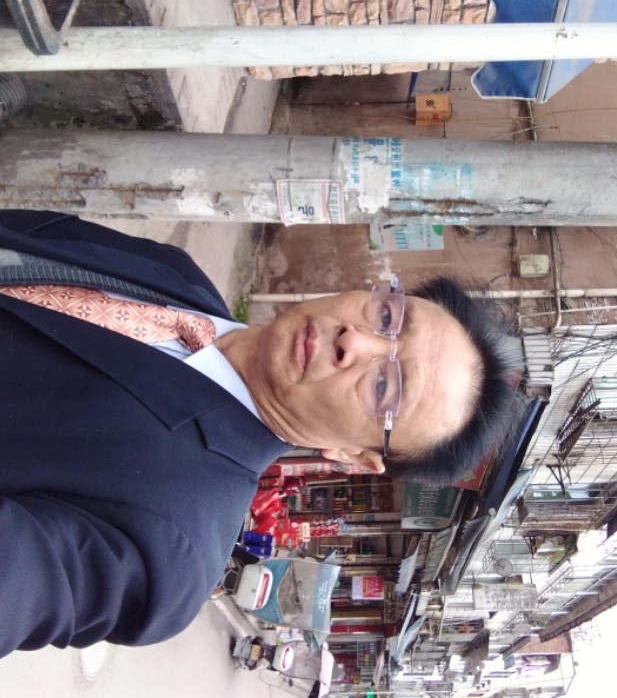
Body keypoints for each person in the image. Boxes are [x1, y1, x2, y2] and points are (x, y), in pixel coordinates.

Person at [0, 209, 516, 658]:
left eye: (384, 386)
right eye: (387, 316)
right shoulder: (177, 275)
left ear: (354, 456)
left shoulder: (170, 552)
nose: (354, 341)